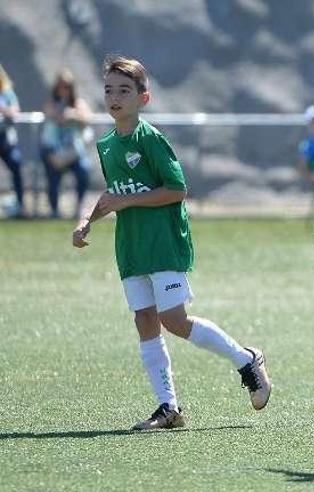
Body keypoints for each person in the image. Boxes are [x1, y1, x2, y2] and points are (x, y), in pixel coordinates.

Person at [71, 55, 272, 430]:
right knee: (145, 321)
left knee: (173, 321)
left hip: (163, 242)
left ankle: (246, 359)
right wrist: (87, 220)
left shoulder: (150, 139)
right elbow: (114, 194)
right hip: (131, 246)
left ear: (143, 98)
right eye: (109, 90)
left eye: (124, 91)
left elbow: (177, 190)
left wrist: (127, 200)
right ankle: (168, 409)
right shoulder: (108, 144)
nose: (115, 97)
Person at [40, 69, 93, 218]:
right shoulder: (51, 103)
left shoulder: (78, 103)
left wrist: (73, 115)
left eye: (67, 86)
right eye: (61, 86)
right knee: (53, 179)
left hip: (73, 152)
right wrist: (68, 115)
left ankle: (79, 207)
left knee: (83, 172)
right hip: (53, 151)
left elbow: (87, 118)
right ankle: (54, 210)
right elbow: (55, 115)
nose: (64, 90)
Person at [0, 64, 26, 218]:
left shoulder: (6, 92)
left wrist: (3, 110)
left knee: (16, 164)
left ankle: (20, 204)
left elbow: (14, 111)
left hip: (5, 139)